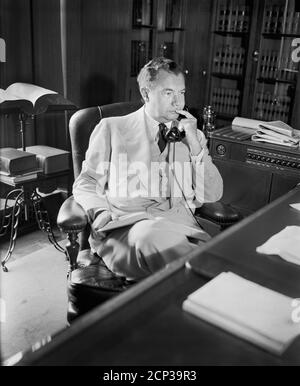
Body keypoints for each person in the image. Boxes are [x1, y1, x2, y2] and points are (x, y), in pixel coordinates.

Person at [73, 57, 223, 280]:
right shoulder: (112, 128)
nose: (178, 103)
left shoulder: (193, 135)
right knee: (154, 238)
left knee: (178, 252)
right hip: (127, 229)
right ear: (145, 94)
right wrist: (101, 212)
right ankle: (214, 283)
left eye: (181, 93)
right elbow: (86, 182)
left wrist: (195, 146)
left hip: (180, 228)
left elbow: (212, 194)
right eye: (168, 93)